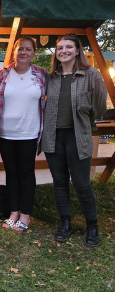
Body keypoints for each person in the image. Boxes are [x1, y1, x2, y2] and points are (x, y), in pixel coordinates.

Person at [42, 34, 106, 247]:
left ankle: (92, 225)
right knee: (59, 182)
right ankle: (65, 223)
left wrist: (85, 119)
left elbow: (99, 106)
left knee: (81, 183)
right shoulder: (50, 77)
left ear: (78, 50)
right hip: (54, 136)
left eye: (69, 47)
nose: (64, 51)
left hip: (78, 135)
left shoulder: (91, 75)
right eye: (60, 48)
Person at [0, 36, 47, 233]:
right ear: (14, 51)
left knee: (26, 173)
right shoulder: (2, 74)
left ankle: (26, 215)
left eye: (28, 49)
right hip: (6, 134)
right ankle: (14, 212)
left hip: (29, 134)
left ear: (34, 53)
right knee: (11, 173)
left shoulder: (41, 74)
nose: (23, 52)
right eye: (20, 48)